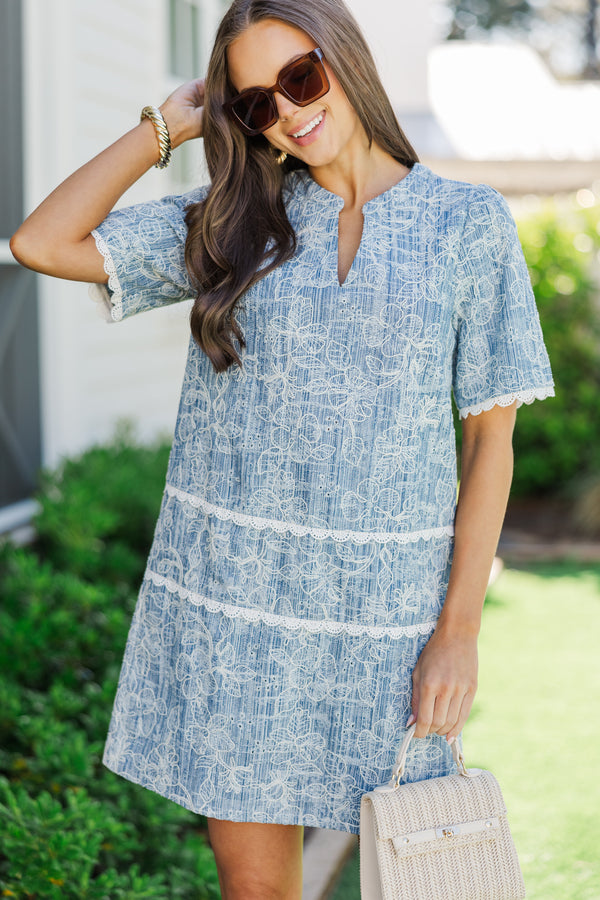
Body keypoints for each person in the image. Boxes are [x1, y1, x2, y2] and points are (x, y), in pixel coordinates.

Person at [10, 0, 554, 896]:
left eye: (301, 77)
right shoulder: (234, 223)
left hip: (389, 621)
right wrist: (166, 126)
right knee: (257, 892)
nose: (290, 111)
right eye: (258, 102)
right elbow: (42, 241)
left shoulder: (467, 224)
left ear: (346, 57)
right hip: (238, 614)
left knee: (427, 873)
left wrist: (459, 631)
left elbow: (491, 439)